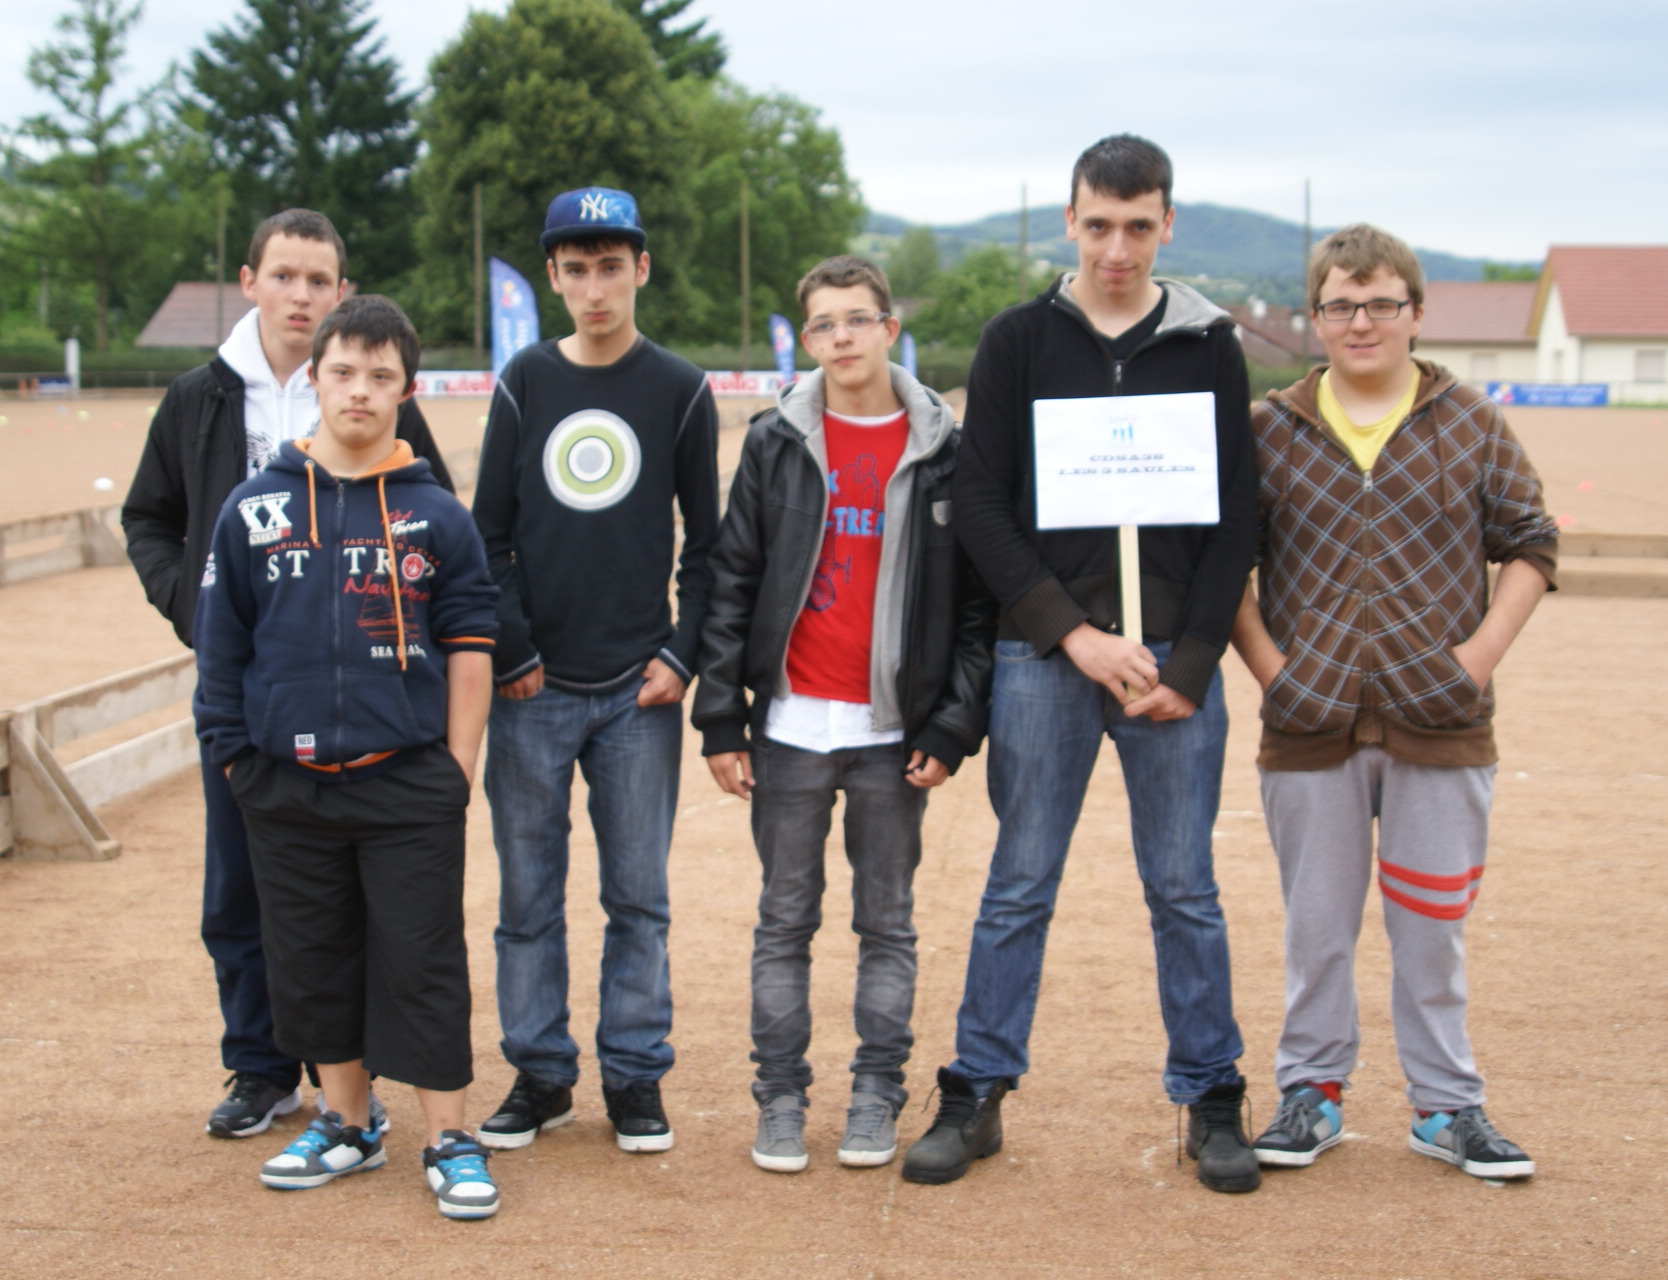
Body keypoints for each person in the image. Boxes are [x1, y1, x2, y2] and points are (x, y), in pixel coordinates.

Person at [902, 135, 1261, 1193]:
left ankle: (1211, 1095)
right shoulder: (1017, 339)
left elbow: (1237, 516)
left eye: (1138, 226)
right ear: (1070, 220)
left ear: (1167, 225)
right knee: (1018, 883)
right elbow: (981, 505)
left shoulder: (1209, 344)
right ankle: (976, 1091)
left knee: (1185, 889)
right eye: (1098, 224)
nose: (1116, 248)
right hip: (1045, 660)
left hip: (1171, 671)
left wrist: (1192, 662)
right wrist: (1074, 633)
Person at [1229, 224, 1555, 1181]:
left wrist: (1477, 660)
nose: (1360, 321)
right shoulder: (1270, 429)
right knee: (1317, 929)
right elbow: (1223, 564)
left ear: (1416, 312)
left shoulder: (1469, 422)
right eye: (1340, 305)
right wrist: (1273, 671)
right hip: (1310, 727)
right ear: (1316, 318)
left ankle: (1447, 1105)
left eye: (1379, 304)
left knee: (1431, 930)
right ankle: (1311, 1092)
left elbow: (1532, 542)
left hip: (1440, 724)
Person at [123, 209, 453, 1138]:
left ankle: (352, 1082)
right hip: (247, 690)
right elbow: (148, 517)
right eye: (284, 276)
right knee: (239, 888)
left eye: (318, 280)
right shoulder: (198, 398)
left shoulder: (367, 384)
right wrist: (195, 606)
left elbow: (432, 515)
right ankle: (260, 1066)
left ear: (342, 291)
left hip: (361, 693)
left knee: (353, 897)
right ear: (250, 282)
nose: (300, 295)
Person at [194, 294, 503, 1219]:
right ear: (315, 379)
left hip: (408, 783)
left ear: (407, 389)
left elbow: (472, 646)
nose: (359, 390)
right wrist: (236, 761)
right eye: (342, 372)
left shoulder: (438, 515)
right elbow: (222, 647)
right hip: (285, 786)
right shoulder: (253, 509)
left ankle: (449, 1138)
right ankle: (348, 1124)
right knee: (311, 959)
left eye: (380, 375)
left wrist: (456, 767)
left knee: (422, 960)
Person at [694, 255, 996, 1173]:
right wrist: (720, 716)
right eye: (823, 324)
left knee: (886, 925)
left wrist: (951, 726)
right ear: (807, 338)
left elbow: (976, 608)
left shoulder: (944, 448)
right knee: (783, 922)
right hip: (789, 727)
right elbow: (731, 579)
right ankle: (781, 1099)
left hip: (890, 735)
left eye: (857, 319)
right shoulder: (775, 440)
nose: (842, 337)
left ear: (889, 327)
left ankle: (875, 1095)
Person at [471, 187, 719, 1154]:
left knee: (639, 899)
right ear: (553, 278)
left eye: (611, 267)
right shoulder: (523, 381)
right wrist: (513, 647)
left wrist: (682, 651)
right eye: (575, 270)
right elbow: (488, 536)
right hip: (531, 689)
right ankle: (540, 1073)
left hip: (638, 694)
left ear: (641, 269)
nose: (595, 288)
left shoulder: (681, 389)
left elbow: (709, 546)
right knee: (527, 898)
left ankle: (634, 1074)